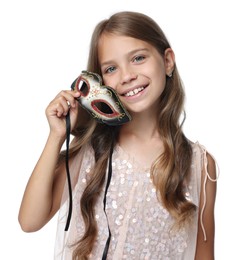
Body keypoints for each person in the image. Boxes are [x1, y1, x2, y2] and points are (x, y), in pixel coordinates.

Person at [18, 11, 218, 260]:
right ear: (100, 82)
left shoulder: (198, 164)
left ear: (167, 61)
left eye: (138, 58)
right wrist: (56, 136)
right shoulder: (91, 154)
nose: (127, 76)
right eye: (111, 68)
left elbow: (203, 254)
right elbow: (29, 221)